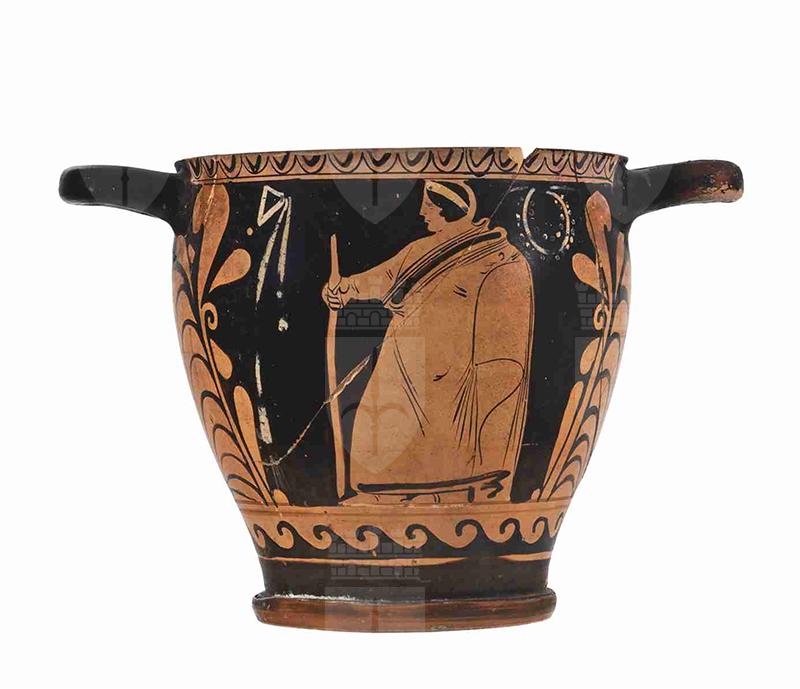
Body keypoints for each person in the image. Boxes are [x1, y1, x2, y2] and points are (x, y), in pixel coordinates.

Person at [323, 180, 534, 504]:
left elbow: (506, 333)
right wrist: (346, 288)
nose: (422, 213)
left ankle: (450, 488)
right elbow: (383, 278)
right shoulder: (422, 250)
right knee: (388, 425)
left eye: (429, 207)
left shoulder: (499, 257)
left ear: (447, 210)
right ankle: (398, 491)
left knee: (445, 433)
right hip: (409, 360)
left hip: (454, 369)